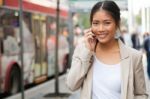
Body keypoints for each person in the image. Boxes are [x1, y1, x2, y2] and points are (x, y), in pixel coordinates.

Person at [66, 1, 148, 99]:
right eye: (96, 23)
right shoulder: (82, 51)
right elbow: (71, 85)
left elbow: (141, 94)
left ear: (117, 24)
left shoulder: (134, 56)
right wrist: (87, 52)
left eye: (107, 23)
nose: (100, 29)